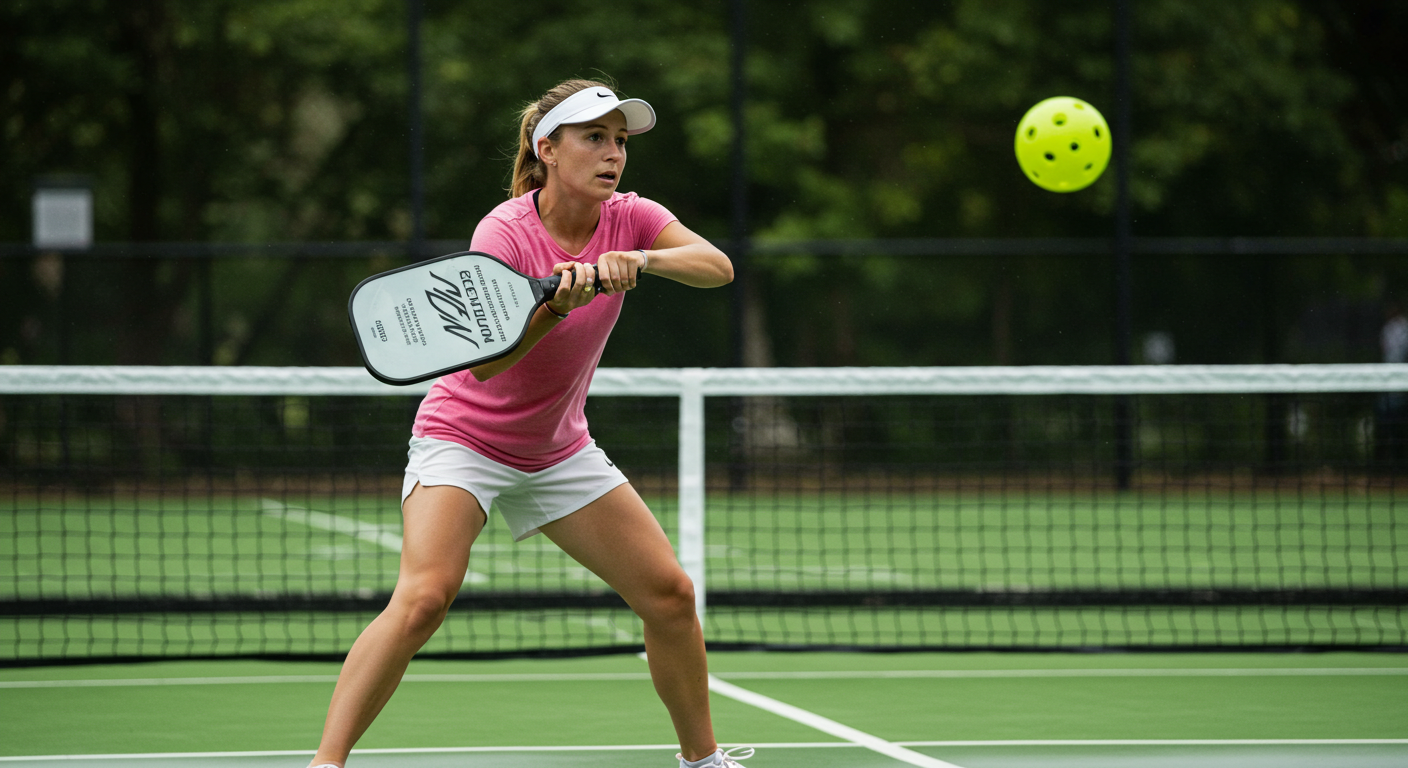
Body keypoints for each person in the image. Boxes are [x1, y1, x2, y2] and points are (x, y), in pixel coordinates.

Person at [307, 79, 746, 768]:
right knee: (423, 598)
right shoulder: (503, 231)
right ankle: (324, 765)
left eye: (621, 141)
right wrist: (557, 306)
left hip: (558, 450)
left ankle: (702, 761)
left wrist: (643, 260)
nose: (613, 155)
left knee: (670, 595)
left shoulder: (631, 217)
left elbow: (717, 267)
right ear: (548, 149)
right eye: (594, 138)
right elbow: (487, 365)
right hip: (464, 439)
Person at [1375, 302, 1408, 467]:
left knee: (1396, 425)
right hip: (1388, 382)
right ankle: (1386, 463)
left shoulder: (1402, 327)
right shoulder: (1389, 328)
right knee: (1387, 424)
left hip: (1400, 383)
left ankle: (1397, 462)